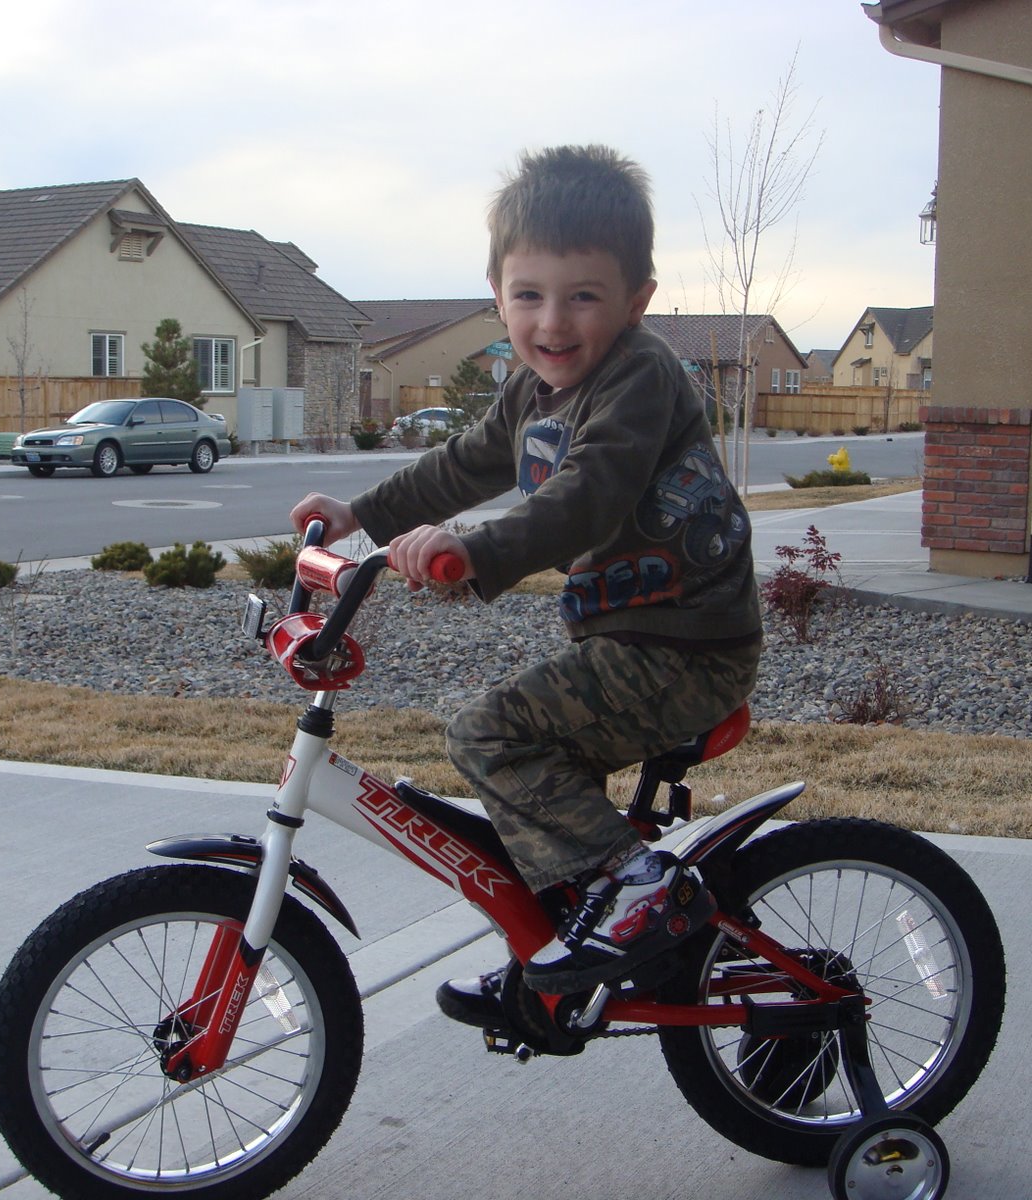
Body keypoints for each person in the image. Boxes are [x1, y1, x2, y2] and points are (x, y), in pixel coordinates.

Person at [291, 144, 761, 1014]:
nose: (552, 321)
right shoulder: (530, 391)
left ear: (635, 301)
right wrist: (359, 514)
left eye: (583, 296)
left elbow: (589, 495)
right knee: (521, 763)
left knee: (491, 737)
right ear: (497, 295)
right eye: (529, 295)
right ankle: (555, 941)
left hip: (687, 646)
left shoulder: (641, 377)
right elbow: (462, 464)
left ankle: (636, 890)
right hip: (628, 639)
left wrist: (475, 549)